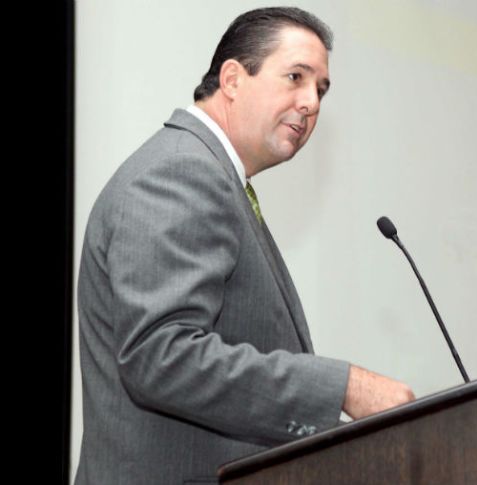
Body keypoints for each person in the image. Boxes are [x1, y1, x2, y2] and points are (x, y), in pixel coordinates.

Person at [75, 7, 414, 484]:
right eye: (295, 77)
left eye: (320, 89)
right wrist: (344, 387)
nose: (311, 102)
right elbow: (162, 355)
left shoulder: (213, 176)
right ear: (232, 79)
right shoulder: (179, 172)